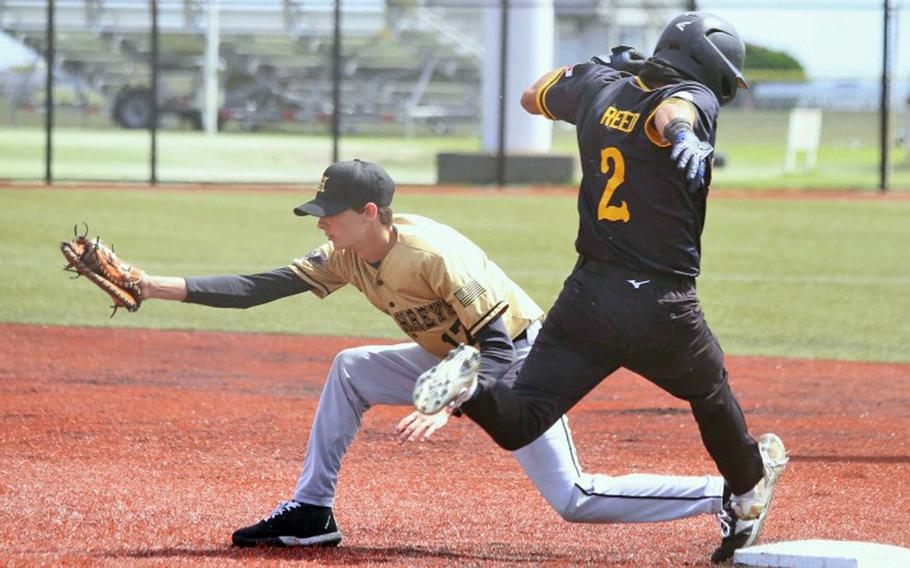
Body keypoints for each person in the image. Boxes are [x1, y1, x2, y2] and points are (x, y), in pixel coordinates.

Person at [135, 158, 736, 550]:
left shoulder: (435, 256)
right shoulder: (347, 255)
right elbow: (259, 288)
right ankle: (312, 512)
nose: (321, 226)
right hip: (451, 359)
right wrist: (153, 286)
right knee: (351, 368)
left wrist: (448, 398)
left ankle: (728, 489)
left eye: (330, 215)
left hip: (519, 361)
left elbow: (497, 350)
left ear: (369, 213)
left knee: (574, 499)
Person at [413, 13, 789, 564]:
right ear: (707, 64)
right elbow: (671, 113)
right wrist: (682, 134)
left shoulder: (598, 85)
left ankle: (471, 389)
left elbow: (529, 95)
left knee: (521, 420)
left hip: (586, 295)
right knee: (709, 391)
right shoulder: (693, 95)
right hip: (661, 305)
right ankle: (749, 492)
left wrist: (598, 69)